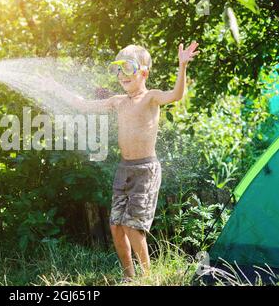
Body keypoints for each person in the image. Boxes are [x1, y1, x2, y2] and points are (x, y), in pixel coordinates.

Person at [60, 42, 199, 281]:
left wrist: (182, 66)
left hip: (145, 170)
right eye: (117, 69)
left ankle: (146, 277)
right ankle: (128, 276)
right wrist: (57, 90)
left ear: (143, 73)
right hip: (124, 169)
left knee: (133, 227)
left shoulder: (151, 98)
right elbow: (82, 105)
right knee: (116, 225)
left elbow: (176, 95)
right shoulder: (118, 101)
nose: (121, 75)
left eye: (127, 68)